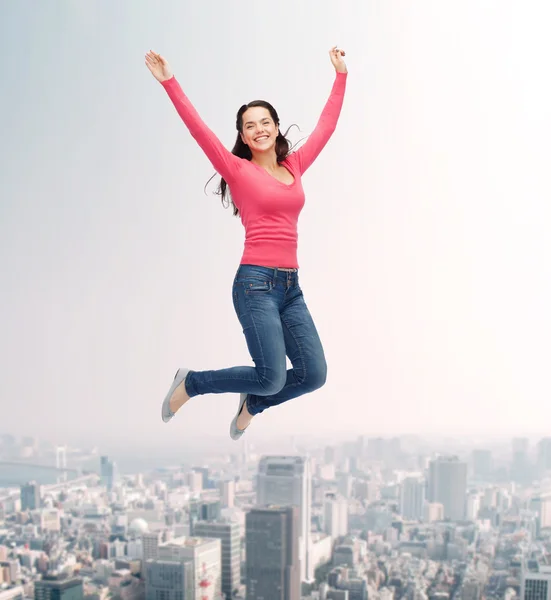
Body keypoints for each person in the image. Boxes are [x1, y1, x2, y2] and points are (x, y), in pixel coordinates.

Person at [145, 47, 348, 440]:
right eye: (249, 125)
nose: (259, 129)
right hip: (255, 284)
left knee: (313, 374)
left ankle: (252, 403)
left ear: (276, 127)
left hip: (291, 288)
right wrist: (170, 81)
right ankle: (192, 383)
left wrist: (340, 75)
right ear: (242, 135)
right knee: (270, 377)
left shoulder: (295, 166)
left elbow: (327, 126)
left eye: (265, 121)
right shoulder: (236, 170)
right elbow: (198, 130)